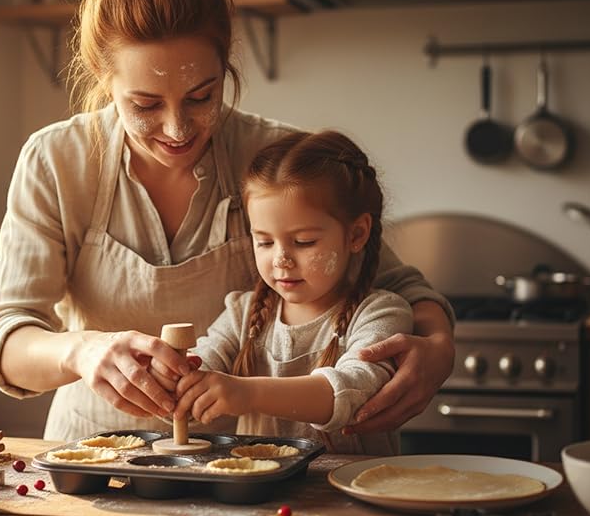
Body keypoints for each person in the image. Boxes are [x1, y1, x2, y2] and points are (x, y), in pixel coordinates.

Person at [0, 0, 455, 442]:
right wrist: (79, 350)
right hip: (95, 453)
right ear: (104, 77)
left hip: (248, 459)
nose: (178, 129)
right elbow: (6, 337)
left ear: (226, 64)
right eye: (145, 105)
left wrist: (438, 347)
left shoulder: (275, 160)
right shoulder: (58, 159)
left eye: (202, 96)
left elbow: (398, 286)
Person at [169, 130, 412, 454]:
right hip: (262, 499)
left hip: (351, 496)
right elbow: (207, 361)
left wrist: (248, 393)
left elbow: (353, 391)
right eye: (265, 241)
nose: (281, 258)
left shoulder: (381, 315)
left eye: (303, 242)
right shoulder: (242, 313)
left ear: (356, 234)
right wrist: (176, 378)